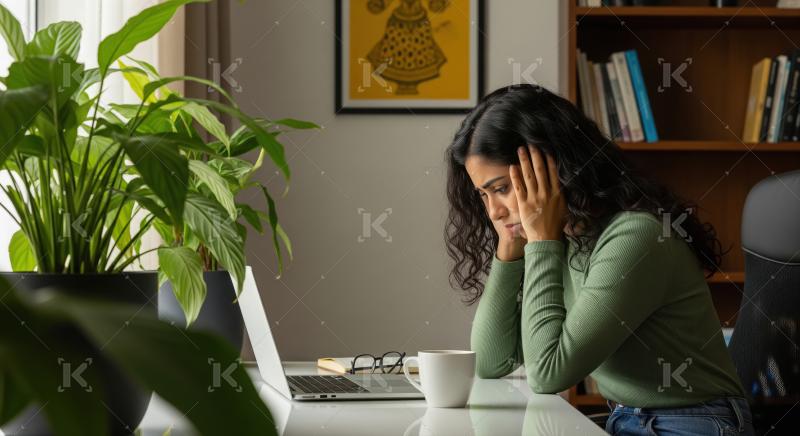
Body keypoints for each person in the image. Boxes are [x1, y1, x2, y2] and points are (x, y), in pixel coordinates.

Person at [444, 83, 755, 435]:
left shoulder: (635, 236)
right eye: (483, 195)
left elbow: (549, 373)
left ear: (552, 166)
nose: (494, 211)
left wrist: (541, 241)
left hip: (694, 422)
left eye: (501, 189)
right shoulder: (563, 235)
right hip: (627, 419)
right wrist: (509, 250)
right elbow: (489, 361)